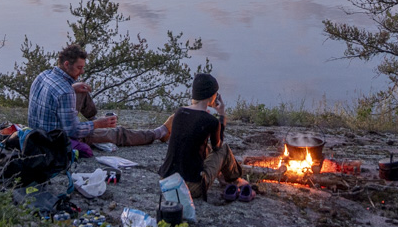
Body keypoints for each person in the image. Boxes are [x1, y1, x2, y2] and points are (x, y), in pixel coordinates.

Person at [27, 44, 165, 147]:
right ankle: (158, 133)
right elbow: (73, 132)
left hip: (37, 132)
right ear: (67, 64)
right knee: (118, 133)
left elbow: (56, 94)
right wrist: (96, 125)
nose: (82, 72)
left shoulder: (43, 75)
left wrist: (73, 88)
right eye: (79, 68)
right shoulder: (65, 91)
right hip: (57, 139)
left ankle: (96, 119)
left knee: (81, 90)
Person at [157, 72, 249, 203]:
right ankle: (234, 179)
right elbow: (218, 147)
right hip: (190, 188)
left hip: (166, 182)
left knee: (205, 146)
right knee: (224, 150)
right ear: (212, 96)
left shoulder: (179, 113)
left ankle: (222, 177)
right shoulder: (210, 121)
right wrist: (222, 116)